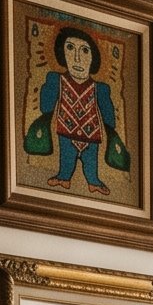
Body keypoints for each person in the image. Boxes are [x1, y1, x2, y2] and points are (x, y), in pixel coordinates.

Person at [25, 26, 129, 194]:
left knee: (90, 161)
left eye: (85, 51)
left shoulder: (99, 88)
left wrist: (111, 128)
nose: (77, 58)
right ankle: (64, 177)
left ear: (94, 58)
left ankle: (93, 181)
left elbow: (107, 112)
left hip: (91, 133)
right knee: (66, 158)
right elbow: (45, 105)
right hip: (66, 129)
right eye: (70, 48)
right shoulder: (57, 80)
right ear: (62, 54)